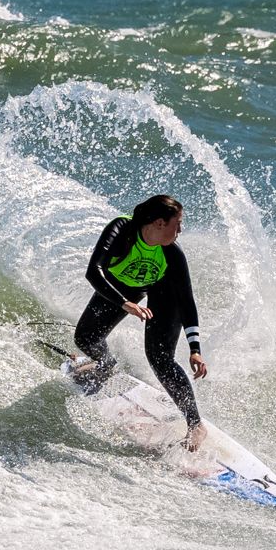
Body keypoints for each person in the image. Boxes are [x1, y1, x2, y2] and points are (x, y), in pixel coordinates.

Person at [70, 193, 211, 452]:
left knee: (159, 357)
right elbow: (94, 270)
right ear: (159, 223)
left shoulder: (173, 255)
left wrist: (195, 350)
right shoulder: (122, 230)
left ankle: (196, 425)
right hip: (120, 288)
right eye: (177, 224)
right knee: (85, 338)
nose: (180, 230)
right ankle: (105, 365)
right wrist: (124, 302)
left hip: (163, 294)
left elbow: (186, 301)